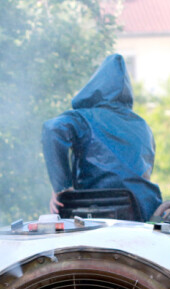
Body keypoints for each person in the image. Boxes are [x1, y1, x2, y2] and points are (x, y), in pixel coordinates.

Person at [42, 54, 162, 221]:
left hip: (91, 211)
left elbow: (52, 128)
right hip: (143, 212)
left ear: (94, 85)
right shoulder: (143, 126)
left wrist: (62, 186)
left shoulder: (83, 117)